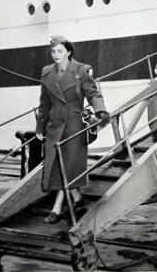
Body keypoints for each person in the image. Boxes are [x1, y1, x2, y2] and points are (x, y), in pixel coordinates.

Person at [36, 36, 109, 223]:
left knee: (66, 166)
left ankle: (57, 209)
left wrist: (100, 110)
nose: (55, 55)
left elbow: (93, 93)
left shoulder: (81, 70)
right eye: (53, 52)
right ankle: (76, 198)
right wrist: (39, 126)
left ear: (68, 52)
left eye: (59, 51)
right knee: (57, 166)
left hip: (74, 126)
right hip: (54, 126)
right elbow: (44, 103)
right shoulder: (46, 72)